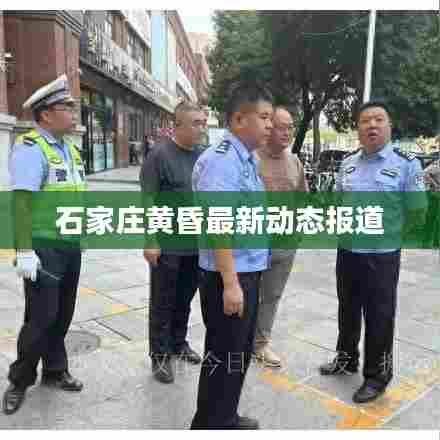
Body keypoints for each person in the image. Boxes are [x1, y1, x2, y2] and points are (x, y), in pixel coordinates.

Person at [319, 101, 427, 404]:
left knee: (380, 315)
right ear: (358, 128)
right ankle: (346, 359)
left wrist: (390, 235)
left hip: (382, 255)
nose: (372, 125)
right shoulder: (348, 163)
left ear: (389, 126)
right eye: (365, 120)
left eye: (379, 119)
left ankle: (377, 377)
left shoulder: (407, 164)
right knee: (347, 309)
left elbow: (418, 212)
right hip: (348, 251)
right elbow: (339, 200)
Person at [191, 82, 273, 429]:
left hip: (246, 271)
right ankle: (209, 424)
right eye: (264, 117)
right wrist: (230, 284)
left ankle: (225, 417)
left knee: (235, 355)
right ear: (240, 119)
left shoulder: (245, 159)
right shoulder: (222, 161)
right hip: (229, 275)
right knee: (223, 356)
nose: (270, 125)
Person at [2, 74, 86, 415]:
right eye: (67, 107)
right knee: (41, 316)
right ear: (46, 114)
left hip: (69, 245)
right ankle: (20, 379)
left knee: (63, 313)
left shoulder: (70, 149)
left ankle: (54, 369)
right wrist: (24, 251)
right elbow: (21, 205)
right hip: (44, 247)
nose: (74, 112)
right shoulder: (31, 149)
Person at [140, 102, 205, 384]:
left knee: (185, 298)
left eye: (203, 122)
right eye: (196, 123)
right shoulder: (159, 155)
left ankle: (178, 342)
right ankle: (160, 354)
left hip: (196, 244)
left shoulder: (202, 156)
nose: (202, 128)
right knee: (163, 300)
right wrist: (150, 239)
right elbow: (147, 200)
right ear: (178, 125)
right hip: (167, 243)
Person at [253, 107, 308, 368]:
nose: (287, 132)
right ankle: (239, 340)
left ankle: (260, 343)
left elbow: (302, 199)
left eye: (290, 127)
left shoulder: (295, 161)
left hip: (284, 243)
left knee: (272, 295)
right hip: (253, 244)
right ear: (268, 127)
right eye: (281, 127)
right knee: (245, 294)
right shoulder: (251, 159)